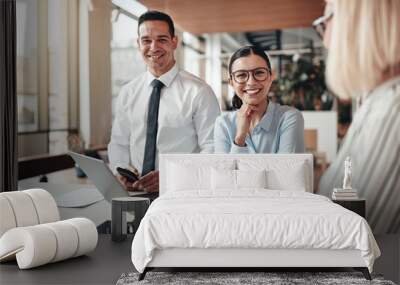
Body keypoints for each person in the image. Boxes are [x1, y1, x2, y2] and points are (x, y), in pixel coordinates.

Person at [108, 11, 220, 194]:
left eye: (162, 39)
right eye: (146, 40)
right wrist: (120, 171)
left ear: (174, 42)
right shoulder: (128, 92)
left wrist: (174, 177)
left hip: (182, 191)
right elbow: (118, 143)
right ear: (138, 44)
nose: (154, 47)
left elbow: (213, 149)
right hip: (136, 193)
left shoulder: (199, 92)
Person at [316, 0, 400, 234]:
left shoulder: (391, 111)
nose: (325, 39)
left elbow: (360, 239)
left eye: (327, 20)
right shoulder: (379, 103)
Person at [214, 46, 304, 153]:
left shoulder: (289, 118)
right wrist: (240, 138)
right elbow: (224, 170)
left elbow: (287, 168)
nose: (251, 82)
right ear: (231, 82)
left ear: (271, 77)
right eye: (241, 75)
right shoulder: (223, 124)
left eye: (259, 73)